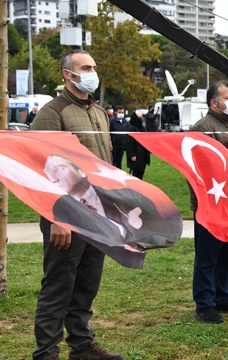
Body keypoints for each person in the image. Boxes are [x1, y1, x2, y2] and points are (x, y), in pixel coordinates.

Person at [29, 49, 124, 360]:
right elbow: (41, 169)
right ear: (67, 74)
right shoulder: (51, 112)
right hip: (67, 213)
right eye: (85, 67)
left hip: (97, 211)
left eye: (94, 66)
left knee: (87, 283)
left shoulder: (98, 113)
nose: (92, 72)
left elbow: (105, 165)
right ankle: (46, 352)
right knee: (59, 285)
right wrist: (56, 216)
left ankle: (81, 346)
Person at [190, 80, 228, 324]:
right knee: (208, 256)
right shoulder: (202, 128)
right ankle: (204, 303)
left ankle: (222, 295)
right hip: (211, 204)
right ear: (214, 102)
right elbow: (197, 169)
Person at [44, 154, 178, 253]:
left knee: (89, 282)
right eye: (49, 174)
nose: (53, 179)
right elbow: (38, 169)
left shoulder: (126, 198)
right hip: (68, 219)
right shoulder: (54, 115)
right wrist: (56, 219)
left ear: (81, 171)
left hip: (99, 219)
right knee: (62, 283)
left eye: (58, 169)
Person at [124, 112, 150, 180]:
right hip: (136, 154)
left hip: (142, 154)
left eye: (141, 117)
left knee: (141, 172)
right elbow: (129, 143)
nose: (140, 119)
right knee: (134, 173)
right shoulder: (131, 128)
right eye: (139, 117)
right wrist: (132, 155)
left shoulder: (142, 127)